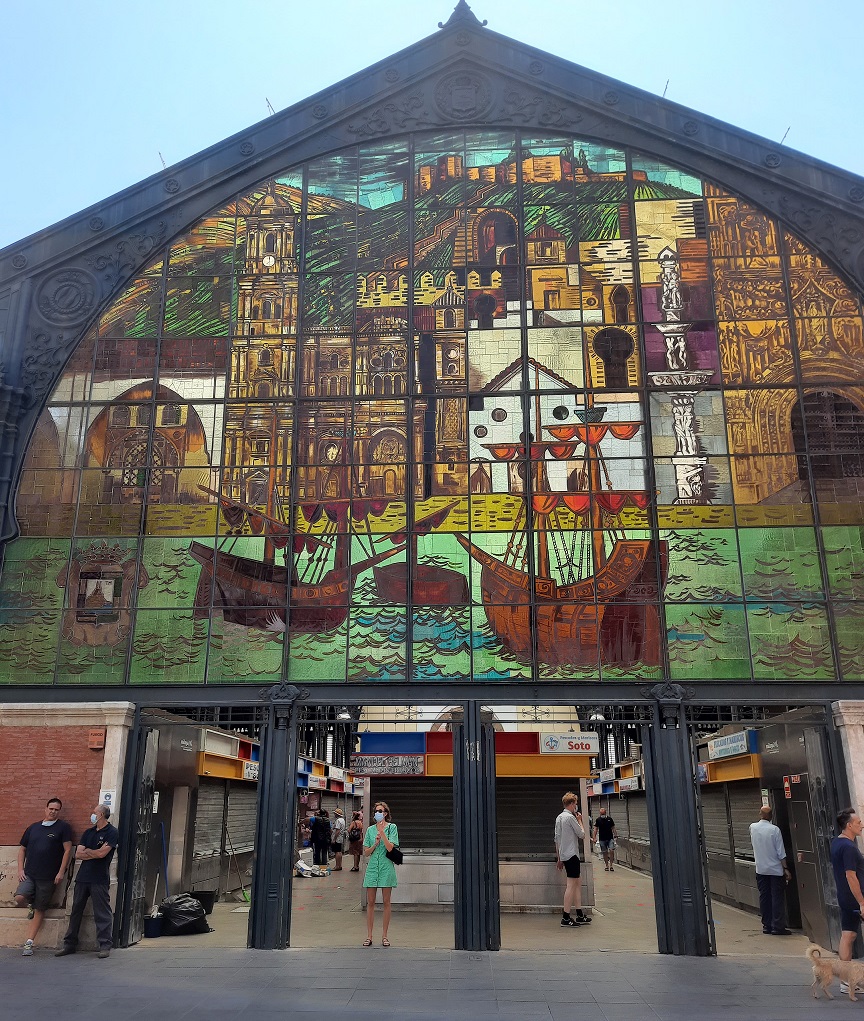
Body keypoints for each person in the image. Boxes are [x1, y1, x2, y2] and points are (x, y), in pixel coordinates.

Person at [55, 803, 119, 959]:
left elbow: (103, 854)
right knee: (76, 910)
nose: (92, 815)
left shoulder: (112, 832)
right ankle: (69, 944)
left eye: (94, 812)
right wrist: (94, 852)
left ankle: (104, 945)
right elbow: (78, 854)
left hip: (99, 878)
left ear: (101, 815)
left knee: (102, 912)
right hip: (83, 877)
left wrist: (90, 852)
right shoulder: (88, 832)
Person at [16, 797, 73, 957]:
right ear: (45, 809)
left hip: (48, 877)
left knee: (40, 908)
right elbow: (22, 849)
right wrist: (20, 869)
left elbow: (67, 850)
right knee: (20, 897)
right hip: (30, 874)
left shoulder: (63, 828)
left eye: (56, 809)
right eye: (51, 808)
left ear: (59, 811)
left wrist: (61, 872)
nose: (53, 811)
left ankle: (29, 942)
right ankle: (30, 905)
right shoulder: (33, 828)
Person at [830, 807, 864, 994]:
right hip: (855, 898)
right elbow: (851, 876)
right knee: (848, 936)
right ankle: (846, 980)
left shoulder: (837, 843)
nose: (862, 825)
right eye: (858, 823)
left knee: (848, 935)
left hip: (845, 896)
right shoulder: (849, 847)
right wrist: (862, 902)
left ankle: (845, 981)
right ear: (849, 825)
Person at [749, 805, 791, 935]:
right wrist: (786, 868)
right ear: (771, 816)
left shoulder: (752, 827)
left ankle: (766, 925)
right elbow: (781, 852)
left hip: (761, 869)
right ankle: (777, 926)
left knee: (764, 897)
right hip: (775, 870)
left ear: (759, 814)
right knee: (777, 898)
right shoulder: (775, 830)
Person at [362, 800, 398, 946]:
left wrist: (382, 834)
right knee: (370, 902)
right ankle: (369, 936)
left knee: (386, 902)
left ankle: (385, 936)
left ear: (386, 813)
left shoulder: (392, 828)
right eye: (376, 811)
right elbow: (366, 852)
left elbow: (391, 849)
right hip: (372, 869)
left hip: (386, 867)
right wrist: (375, 843)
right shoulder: (370, 830)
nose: (378, 813)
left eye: (381, 811)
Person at [554, 791, 591, 927]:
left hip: (565, 855)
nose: (576, 806)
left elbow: (556, 839)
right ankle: (566, 916)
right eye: (575, 803)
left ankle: (579, 913)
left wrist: (559, 858)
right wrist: (580, 820)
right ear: (571, 804)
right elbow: (582, 834)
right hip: (572, 855)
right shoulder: (570, 818)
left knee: (577, 882)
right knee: (571, 885)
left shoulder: (559, 818)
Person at [592, 807, 618, 872]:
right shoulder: (598, 820)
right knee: (604, 852)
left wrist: (615, 835)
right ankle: (606, 865)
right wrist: (594, 838)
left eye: (603, 813)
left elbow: (613, 827)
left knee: (611, 850)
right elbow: (595, 829)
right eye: (601, 813)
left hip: (610, 838)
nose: (602, 815)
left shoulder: (610, 819)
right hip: (602, 839)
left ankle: (611, 865)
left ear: (605, 813)